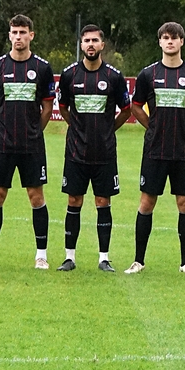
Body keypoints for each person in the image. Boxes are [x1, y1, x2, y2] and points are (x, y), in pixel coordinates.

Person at [125, 22, 185, 275]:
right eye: (165, 37)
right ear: (160, 42)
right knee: (146, 202)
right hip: (155, 149)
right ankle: (138, 261)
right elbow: (135, 106)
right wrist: (152, 126)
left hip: (182, 150)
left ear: (182, 41)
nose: (170, 41)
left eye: (174, 37)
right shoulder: (147, 75)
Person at [0, 14, 56, 269]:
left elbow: (47, 108)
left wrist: (33, 131)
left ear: (31, 35)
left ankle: (41, 255)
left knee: (36, 196)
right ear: (9, 35)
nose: (18, 37)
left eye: (23, 32)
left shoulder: (42, 68)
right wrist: (3, 129)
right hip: (3, 144)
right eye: (14, 32)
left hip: (32, 144)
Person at [56, 24, 132, 272]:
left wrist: (109, 129)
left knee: (102, 201)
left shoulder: (113, 76)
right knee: (74, 200)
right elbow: (63, 108)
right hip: (76, 152)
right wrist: (77, 128)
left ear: (102, 45)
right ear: (81, 45)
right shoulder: (69, 75)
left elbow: (126, 110)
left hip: (104, 152)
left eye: (94, 41)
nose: (90, 44)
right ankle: (69, 257)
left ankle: (104, 258)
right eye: (86, 40)